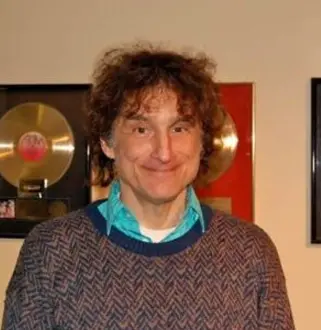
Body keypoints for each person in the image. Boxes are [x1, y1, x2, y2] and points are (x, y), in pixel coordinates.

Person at [1, 42, 295, 329]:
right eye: (142, 129)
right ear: (107, 142)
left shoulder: (251, 252)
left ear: (202, 141)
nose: (164, 152)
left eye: (179, 128)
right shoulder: (50, 251)